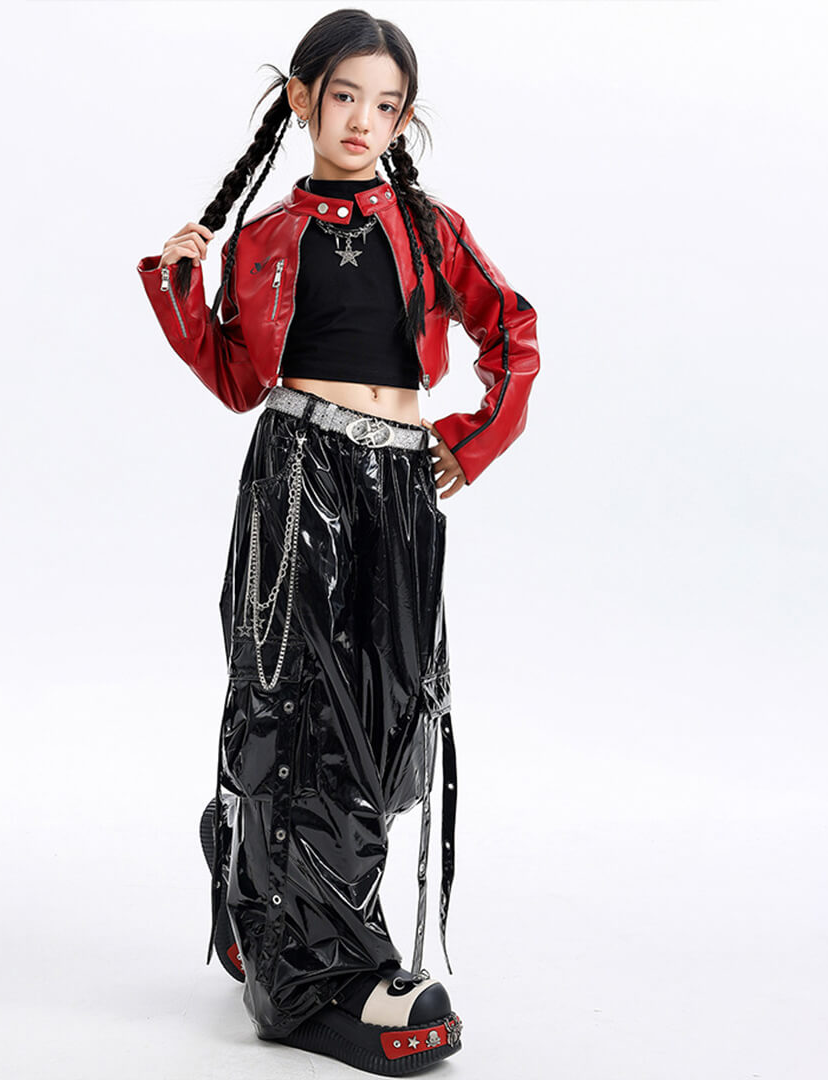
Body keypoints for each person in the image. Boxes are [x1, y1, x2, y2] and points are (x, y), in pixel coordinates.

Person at [136, 9, 540, 1074]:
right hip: (298, 477)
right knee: (297, 710)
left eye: (387, 104)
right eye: (346, 96)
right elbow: (238, 379)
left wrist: (473, 438)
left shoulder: (430, 227)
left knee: (390, 716)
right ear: (302, 99)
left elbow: (511, 329)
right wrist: (180, 290)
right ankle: (316, 969)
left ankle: (258, 876)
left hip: (400, 487)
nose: (364, 120)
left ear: (405, 118)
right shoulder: (265, 237)